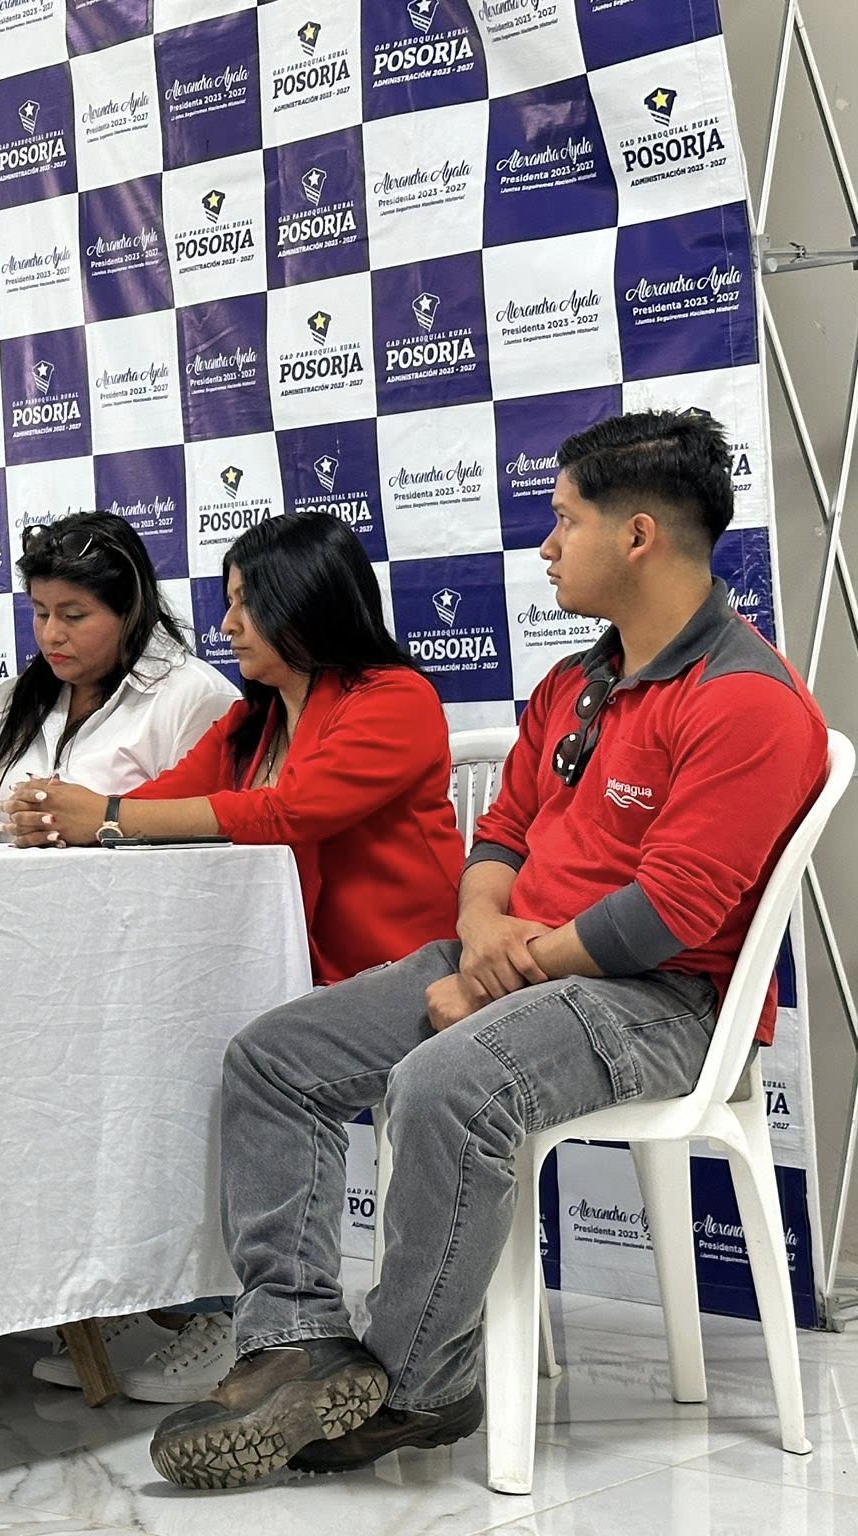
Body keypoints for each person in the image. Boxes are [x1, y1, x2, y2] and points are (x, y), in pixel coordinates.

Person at [148, 411, 828, 1490]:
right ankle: (295, 1343)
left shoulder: (747, 701)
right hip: (516, 961)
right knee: (272, 1058)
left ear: (637, 536)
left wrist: (507, 977)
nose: (546, 546)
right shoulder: (573, 684)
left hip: (663, 1001)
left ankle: (417, 1385)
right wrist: (480, 934)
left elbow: (672, 913)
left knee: (449, 1080)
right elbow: (500, 836)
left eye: (564, 522)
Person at [0, 510, 466, 1404]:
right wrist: (63, 815)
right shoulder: (251, 723)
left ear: (305, 605)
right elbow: (162, 803)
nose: (228, 625)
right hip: (289, 968)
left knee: (242, 1060)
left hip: (402, 974)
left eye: (248, 604)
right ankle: (166, 1298)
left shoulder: (395, 698)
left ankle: (256, 1325)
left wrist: (104, 817)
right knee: (143, 1048)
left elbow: (290, 812)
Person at [0, 512, 236, 843]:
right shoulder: (14, 696)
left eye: (73, 616)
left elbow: (206, 846)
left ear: (131, 612)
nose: (51, 634)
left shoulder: (196, 696)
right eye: (40, 613)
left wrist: (93, 824)